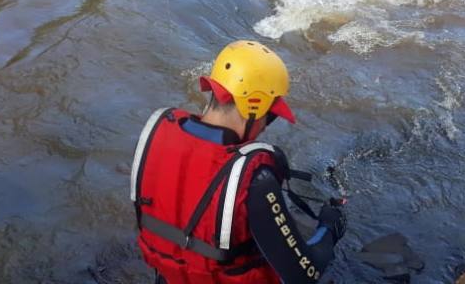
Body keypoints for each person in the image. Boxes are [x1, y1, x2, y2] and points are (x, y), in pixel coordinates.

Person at [130, 40, 346, 284]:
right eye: (271, 115)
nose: (265, 127)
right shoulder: (255, 178)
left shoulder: (157, 136)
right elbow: (305, 273)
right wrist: (329, 227)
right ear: (253, 105)